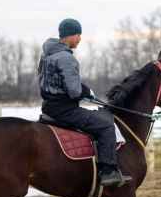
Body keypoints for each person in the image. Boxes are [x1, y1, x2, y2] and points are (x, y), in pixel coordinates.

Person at [38, 18, 131, 187]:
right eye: (78, 34)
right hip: (66, 110)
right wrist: (87, 92)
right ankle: (108, 173)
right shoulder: (67, 58)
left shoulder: (46, 55)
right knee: (106, 127)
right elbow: (73, 90)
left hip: (48, 107)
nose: (80, 39)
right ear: (70, 35)